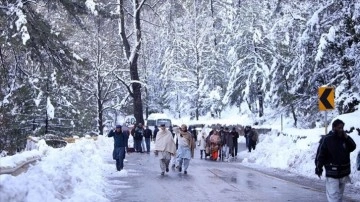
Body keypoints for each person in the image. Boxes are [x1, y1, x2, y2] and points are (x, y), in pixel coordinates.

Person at [315, 119, 357, 202]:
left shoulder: (344, 138)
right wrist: (318, 167)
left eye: (342, 127)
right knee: (333, 196)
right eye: (339, 127)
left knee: (339, 196)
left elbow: (353, 147)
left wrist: (347, 137)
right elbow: (320, 155)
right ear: (334, 128)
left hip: (343, 173)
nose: (341, 129)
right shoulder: (327, 139)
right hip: (332, 173)